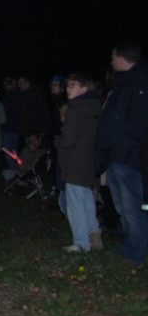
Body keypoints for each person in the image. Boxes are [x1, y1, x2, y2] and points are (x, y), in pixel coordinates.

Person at [94, 41, 148, 265]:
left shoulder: (139, 82)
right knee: (122, 208)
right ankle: (130, 247)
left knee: (132, 208)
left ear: (123, 57)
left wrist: (121, 151)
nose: (111, 60)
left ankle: (135, 254)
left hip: (128, 158)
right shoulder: (125, 82)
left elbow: (138, 122)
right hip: (117, 157)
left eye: (113, 56)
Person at [55, 74, 102, 252]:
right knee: (87, 198)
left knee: (75, 202)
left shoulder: (74, 108)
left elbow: (69, 139)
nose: (68, 89)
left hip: (74, 160)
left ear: (84, 88)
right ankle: (94, 235)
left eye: (73, 85)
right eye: (68, 86)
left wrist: (57, 141)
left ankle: (81, 242)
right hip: (87, 158)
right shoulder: (94, 107)